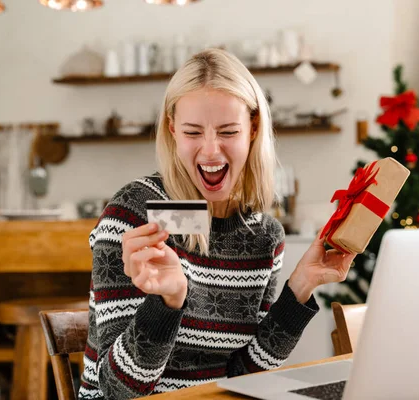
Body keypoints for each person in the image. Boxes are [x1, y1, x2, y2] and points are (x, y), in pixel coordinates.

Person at [78, 48, 355, 399]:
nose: (210, 151)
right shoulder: (133, 213)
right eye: (193, 132)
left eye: (228, 131)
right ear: (172, 130)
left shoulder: (264, 237)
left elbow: (243, 377)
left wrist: (301, 286)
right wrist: (167, 303)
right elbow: (117, 392)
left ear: (252, 129)